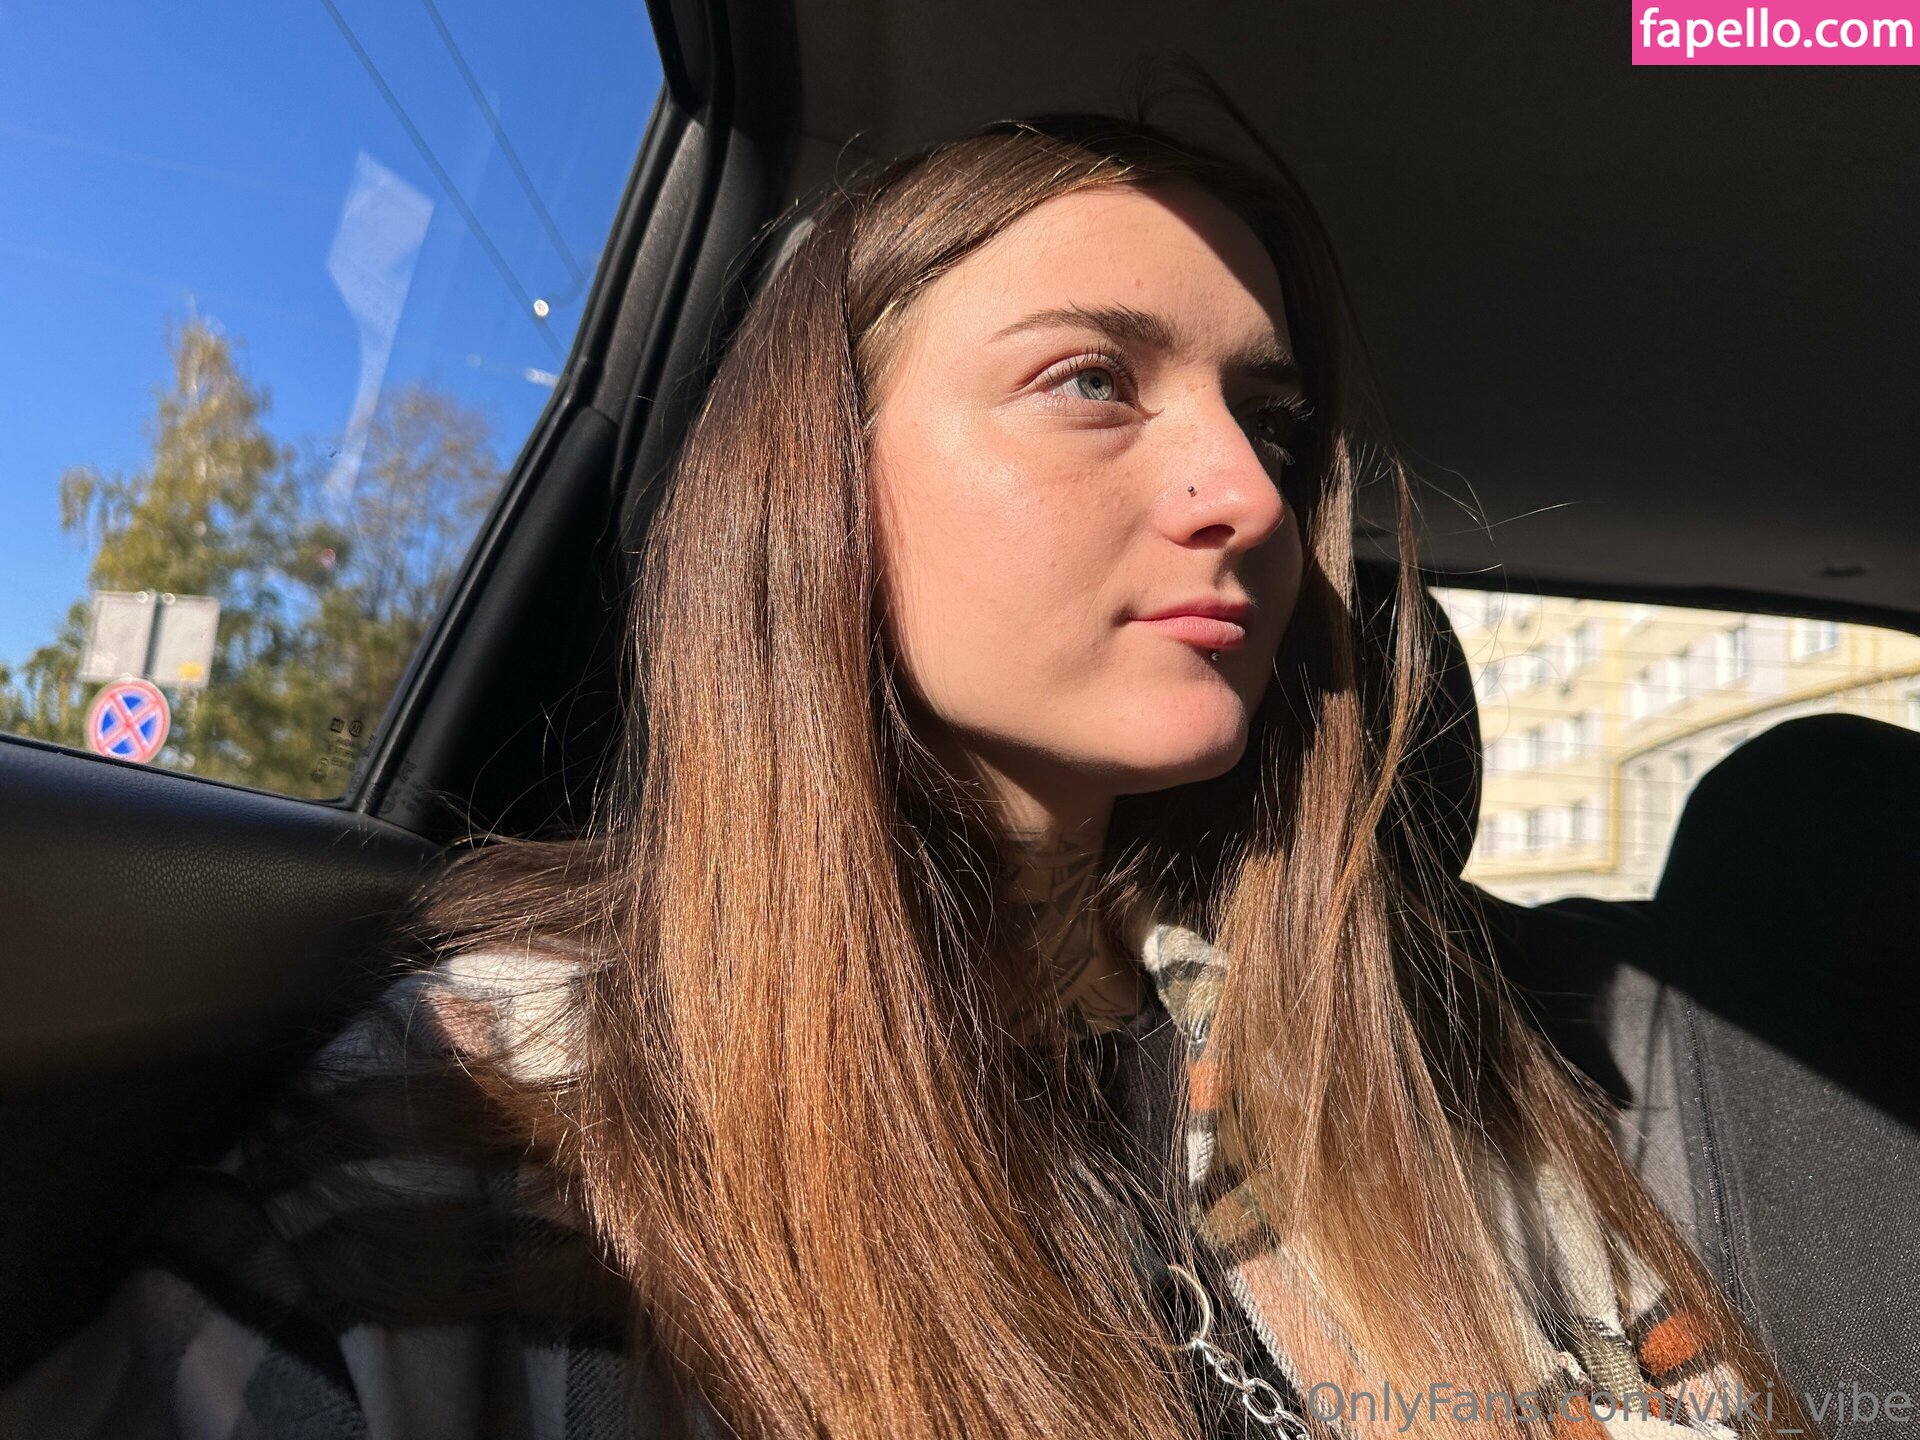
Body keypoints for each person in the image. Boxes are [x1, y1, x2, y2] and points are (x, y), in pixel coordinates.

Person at [0, 107, 1817, 1440]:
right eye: (1092, 380)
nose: (1251, 498)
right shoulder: (506, 1125)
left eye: (1269, 422)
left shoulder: (1403, 1074)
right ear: (818, 484)